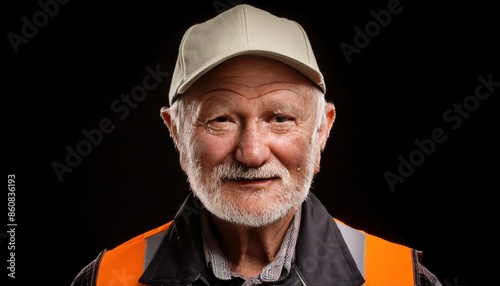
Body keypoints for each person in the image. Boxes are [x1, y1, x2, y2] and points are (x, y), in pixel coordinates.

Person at [71, 4, 442, 286]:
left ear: (322, 131)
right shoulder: (106, 278)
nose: (252, 153)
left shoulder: (402, 277)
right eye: (222, 120)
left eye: (280, 118)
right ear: (177, 134)